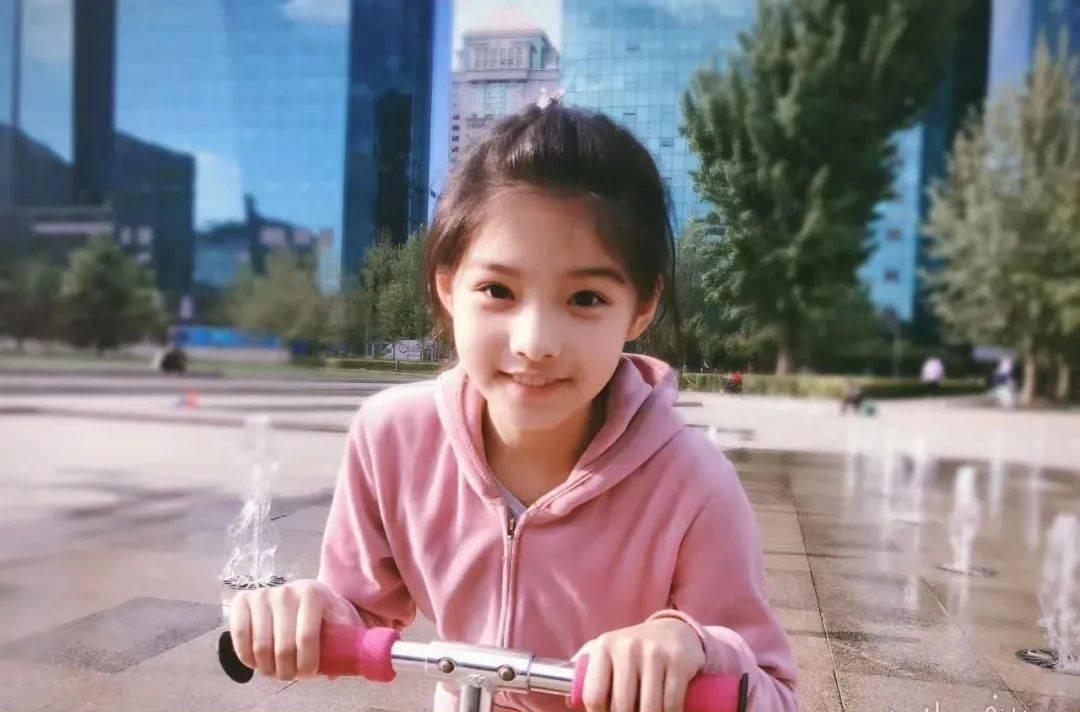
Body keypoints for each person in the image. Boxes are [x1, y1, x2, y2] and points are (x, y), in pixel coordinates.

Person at [227, 100, 797, 712]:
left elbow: (771, 693)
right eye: (498, 290)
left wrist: (693, 646)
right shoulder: (390, 436)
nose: (535, 342)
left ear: (641, 308)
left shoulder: (693, 484)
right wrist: (311, 611)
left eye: (586, 298)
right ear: (448, 286)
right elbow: (361, 609)